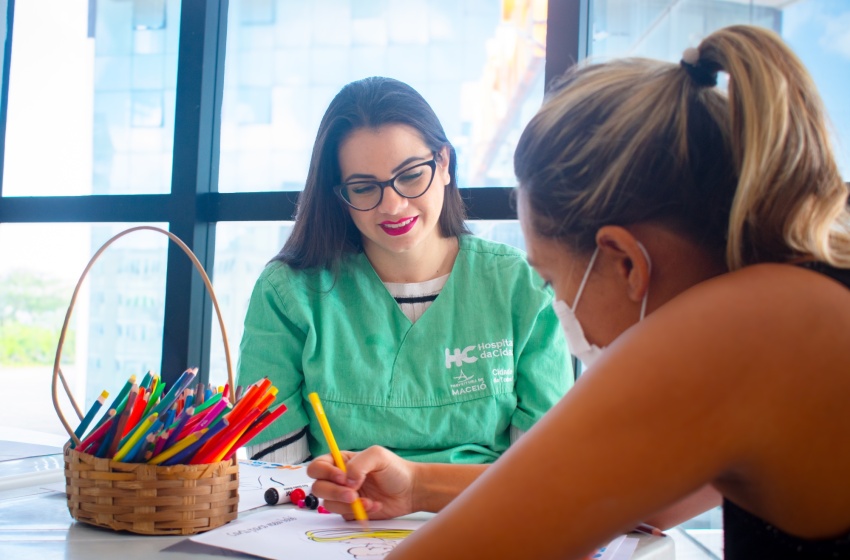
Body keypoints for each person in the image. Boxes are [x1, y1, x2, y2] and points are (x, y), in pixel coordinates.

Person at [306, 25, 850, 559]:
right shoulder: (800, 294)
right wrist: (418, 485)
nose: (559, 308)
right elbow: (646, 498)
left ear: (626, 262)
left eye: (551, 279)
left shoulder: (741, 329)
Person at [237, 76, 572, 466]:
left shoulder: (520, 287)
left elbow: (543, 472)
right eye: (364, 188)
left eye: (411, 176)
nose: (393, 206)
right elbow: (280, 478)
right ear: (339, 196)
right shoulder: (287, 295)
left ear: (444, 163)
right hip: (328, 522)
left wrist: (423, 493)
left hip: (489, 519)